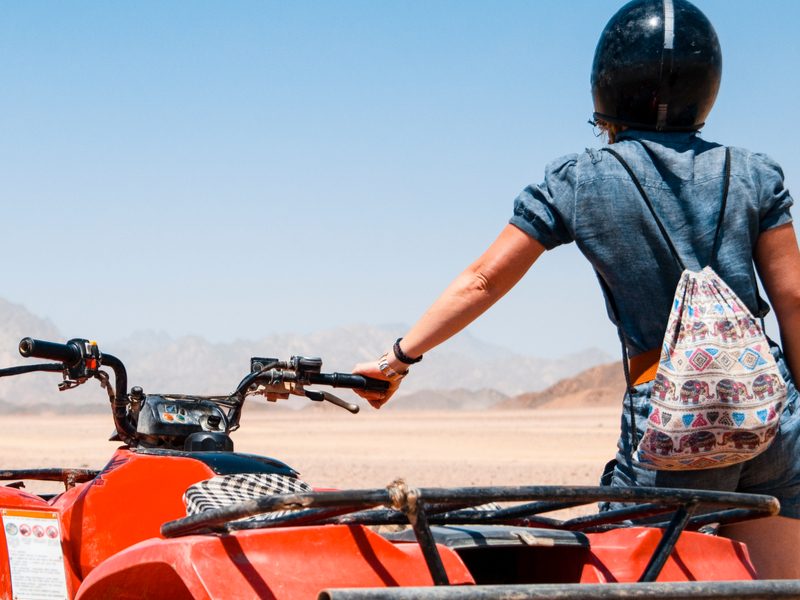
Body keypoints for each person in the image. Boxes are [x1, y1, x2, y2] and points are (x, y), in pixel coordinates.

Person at [352, 0, 800, 579]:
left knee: (638, 581)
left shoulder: (580, 178)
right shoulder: (756, 174)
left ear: (606, 88)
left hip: (671, 420)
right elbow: (792, 299)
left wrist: (397, 358)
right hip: (771, 415)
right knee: (780, 587)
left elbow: (484, 279)